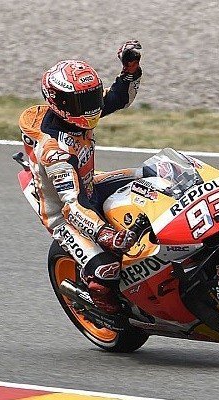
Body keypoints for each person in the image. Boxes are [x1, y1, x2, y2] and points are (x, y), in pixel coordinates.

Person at [18, 40, 144, 318]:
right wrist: (105, 235)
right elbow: (73, 206)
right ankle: (106, 309)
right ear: (59, 103)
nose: (92, 107)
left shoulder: (80, 111)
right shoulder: (55, 152)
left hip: (90, 186)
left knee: (151, 174)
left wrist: (130, 70)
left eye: (93, 96)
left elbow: (119, 98)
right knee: (107, 270)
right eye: (83, 101)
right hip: (65, 215)